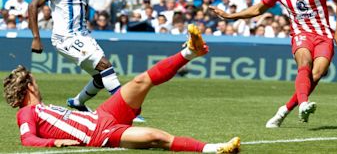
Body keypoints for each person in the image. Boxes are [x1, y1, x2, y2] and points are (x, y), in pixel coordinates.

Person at [4, 24, 240, 152]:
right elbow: (28, 139)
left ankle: (190, 51)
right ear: (29, 87)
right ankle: (213, 149)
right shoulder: (26, 113)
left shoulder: (42, 108)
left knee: (139, 81)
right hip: (100, 134)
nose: (38, 84)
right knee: (155, 136)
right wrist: (54, 143)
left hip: (103, 115)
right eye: (34, 81)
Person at [210, 0, 337, 127]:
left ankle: (283, 111)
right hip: (301, 34)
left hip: (324, 35)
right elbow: (258, 9)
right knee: (304, 63)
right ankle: (303, 104)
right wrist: (231, 16)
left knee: (317, 74)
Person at [28, 0, 123, 112]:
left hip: (82, 36)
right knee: (105, 65)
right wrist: (36, 37)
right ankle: (125, 109)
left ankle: (77, 102)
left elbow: (83, 10)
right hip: (65, 38)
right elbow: (33, 5)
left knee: (100, 78)